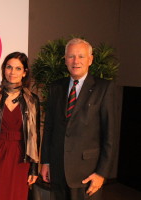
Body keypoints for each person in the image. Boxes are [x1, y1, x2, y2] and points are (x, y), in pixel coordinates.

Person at [41, 38, 116, 200]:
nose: (76, 61)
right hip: (58, 170)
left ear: (90, 59)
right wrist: (46, 162)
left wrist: (101, 173)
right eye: (71, 56)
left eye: (81, 56)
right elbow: (49, 128)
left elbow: (109, 135)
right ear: (65, 60)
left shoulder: (104, 88)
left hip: (87, 174)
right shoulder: (56, 87)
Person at [0, 52, 40, 200]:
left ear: (24, 72)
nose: (12, 72)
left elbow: (35, 135)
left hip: (21, 157)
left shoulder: (32, 100)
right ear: (4, 69)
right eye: (9, 67)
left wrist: (34, 168)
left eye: (18, 68)